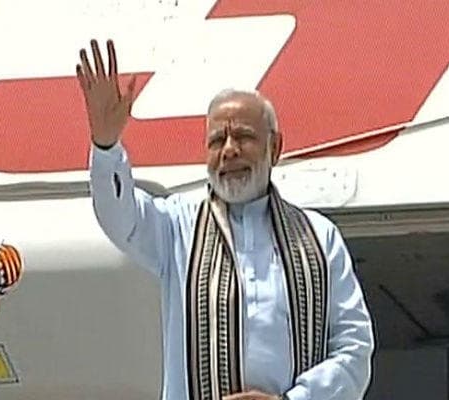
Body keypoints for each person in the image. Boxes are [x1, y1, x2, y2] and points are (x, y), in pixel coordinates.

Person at [78, 39, 374, 400]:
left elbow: (354, 347)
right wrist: (106, 146)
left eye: (244, 136)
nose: (230, 150)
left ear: (275, 148)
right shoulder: (177, 226)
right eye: (218, 140)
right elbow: (118, 215)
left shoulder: (318, 236)